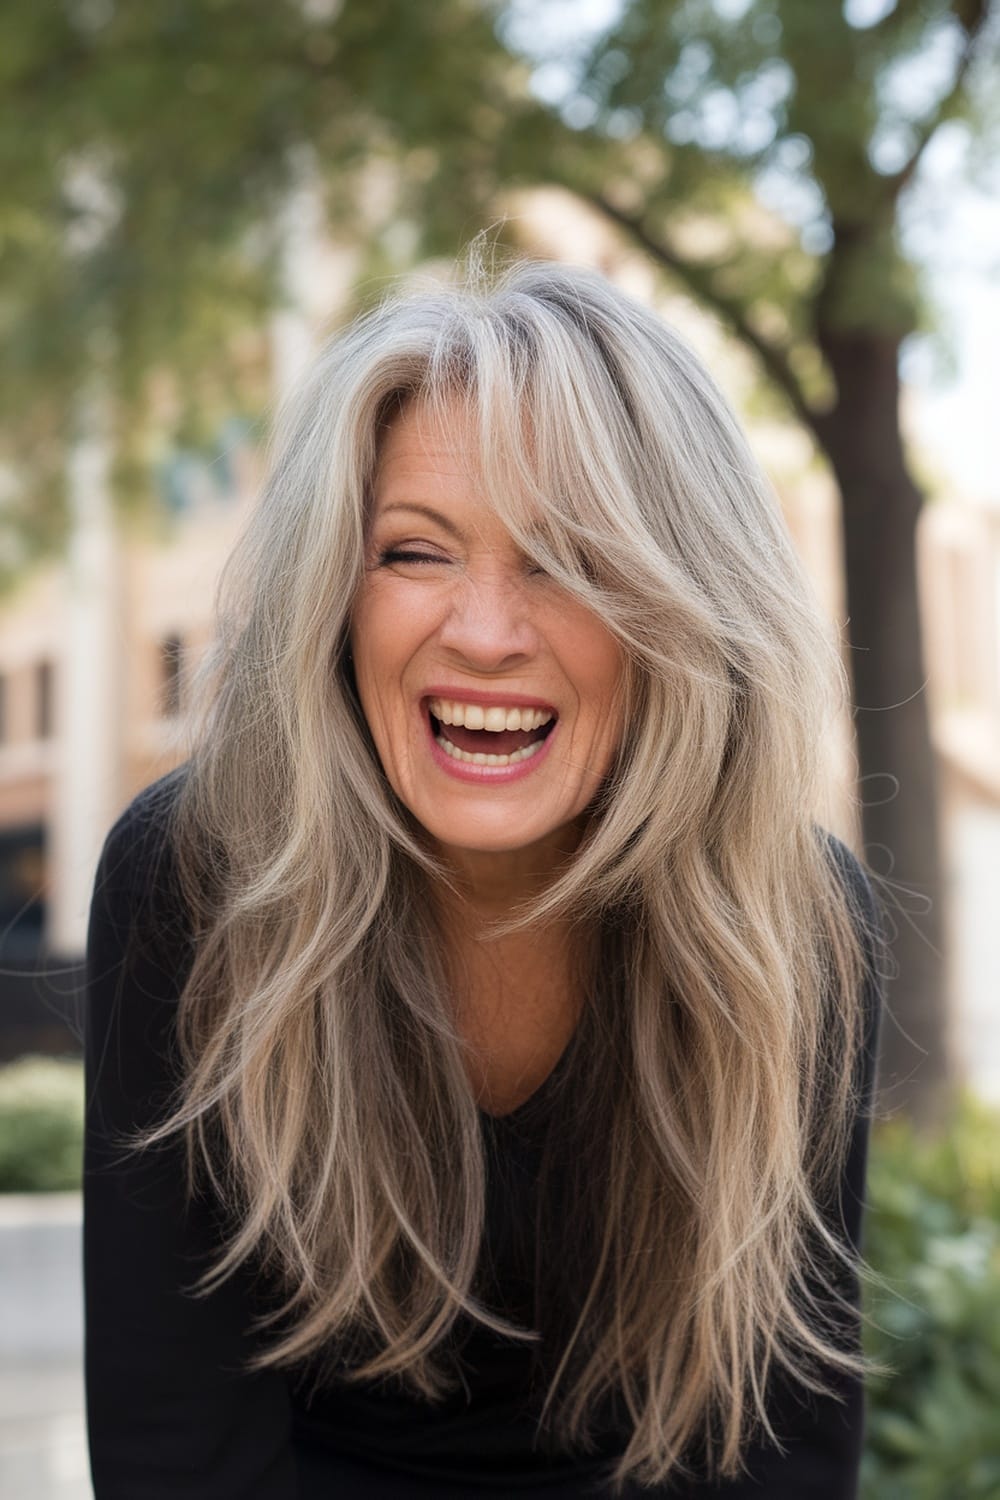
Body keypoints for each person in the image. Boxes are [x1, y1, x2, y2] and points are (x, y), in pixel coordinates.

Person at [84, 257, 886, 1499]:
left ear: (687, 608)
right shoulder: (195, 876)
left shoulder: (798, 920)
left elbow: (778, 1443)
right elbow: (174, 1442)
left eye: (568, 560)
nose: (485, 633)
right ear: (334, 599)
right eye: (415, 553)